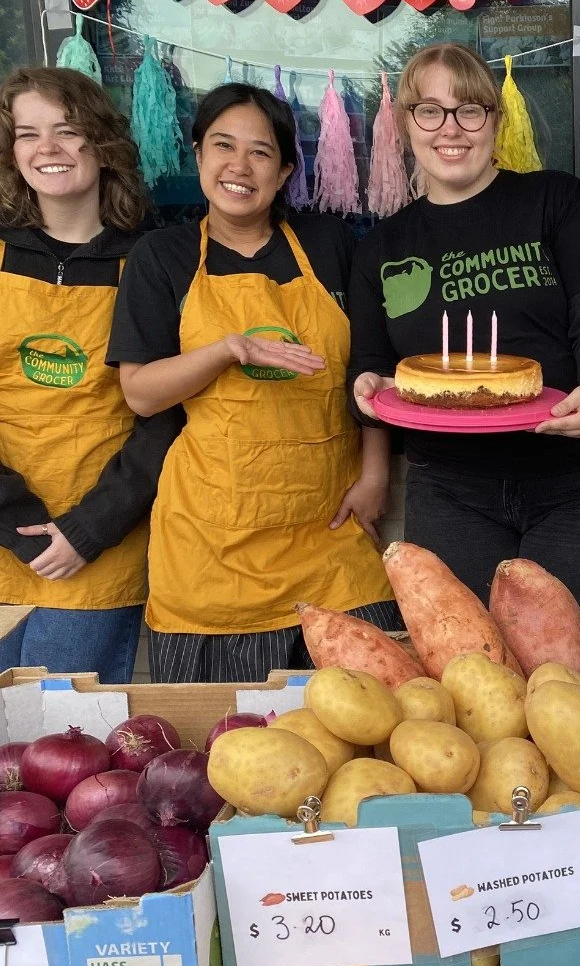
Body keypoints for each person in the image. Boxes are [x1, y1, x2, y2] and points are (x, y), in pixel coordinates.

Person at [108, 82, 395, 682]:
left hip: (330, 531)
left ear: (287, 169)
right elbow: (140, 391)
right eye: (222, 146)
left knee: (369, 722)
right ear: (197, 155)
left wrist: (374, 475)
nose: (239, 166)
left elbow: (369, 369)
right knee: (222, 752)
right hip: (213, 542)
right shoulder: (162, 257)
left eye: (261, 152)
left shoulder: (328, 244)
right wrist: (227, 350)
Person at [350, 42, 580, 628]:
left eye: (470, 110)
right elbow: (373, 359)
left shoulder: (555, 200)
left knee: (577, 669)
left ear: (495, 121)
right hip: (452, 489)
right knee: (466, 669)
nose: (450, 129)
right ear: (406, 123)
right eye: (429, 110)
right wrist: (371, 387)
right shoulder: (383, 247)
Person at [0, 67, 179, 682]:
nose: (46, 149)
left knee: (63, 743)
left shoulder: (150, 263)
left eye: (66, 130)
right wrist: (14, 523)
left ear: (101, 144)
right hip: (2, 534)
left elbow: (166, 413)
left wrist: (89, 528)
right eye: (28, 133)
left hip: (101, 540)